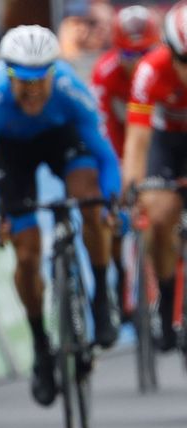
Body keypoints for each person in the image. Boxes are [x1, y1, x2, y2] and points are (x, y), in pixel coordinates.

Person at [0, 25, 121, 407]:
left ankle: (102, 293)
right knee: (27, 251)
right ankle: (40, 345)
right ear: (8, 75)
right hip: (10, 153)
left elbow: (105, 156)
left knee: (89, 197)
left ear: (55, 73)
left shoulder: (71, 91)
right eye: (24, 82)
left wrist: (110, 202)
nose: (33, 91)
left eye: (41, 81)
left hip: (60, 138)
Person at [122, 1, 187, 353]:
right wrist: (133, 183)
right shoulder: (149, 71)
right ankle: (166, 292)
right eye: (184, 62)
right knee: (160, 215)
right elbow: (137, 138)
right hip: (166, 139)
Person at [90, 5, 159, 321]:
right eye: (130, 56)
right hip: (119, 145)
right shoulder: (104, 75)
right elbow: (102, 133)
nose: (139, 64)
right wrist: (119, 178)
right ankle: (118, 273)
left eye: (146, 53)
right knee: (113, 204)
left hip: (159, 142)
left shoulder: (165, 69)